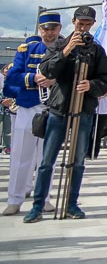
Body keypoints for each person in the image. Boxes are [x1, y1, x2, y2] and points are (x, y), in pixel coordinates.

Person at [23, 6, 107, 223]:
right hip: (59, 108)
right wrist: (66, 50)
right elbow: (47, 70)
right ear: (73, 22)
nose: (83, 27)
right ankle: (37, 205)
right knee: (47, 161)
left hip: (83, 110)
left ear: (92, 24)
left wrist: (90, 85)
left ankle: (72, 203)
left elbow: (106, 81)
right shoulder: (60, 45)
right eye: (80, 23)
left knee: (78, 160)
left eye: (87, 24)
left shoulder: (97, 51)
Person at [6, 12, 64, 217]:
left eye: (53, 28)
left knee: (47, 159)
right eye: (45, 29)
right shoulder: (28, 49)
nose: (49, 33)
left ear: (59, 28)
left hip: (54, 109)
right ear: (40, 30)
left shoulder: (66, 49)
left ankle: (45, 198)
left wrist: (55, 81)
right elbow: (12, 78)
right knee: (21, 156)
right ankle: (15, 199)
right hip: (28, 107)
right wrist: (33, 78)